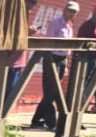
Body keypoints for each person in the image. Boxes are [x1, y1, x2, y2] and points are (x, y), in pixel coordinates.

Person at [31, 0, 78, 129]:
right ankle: (52, 122)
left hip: (62, 59)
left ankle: (36, 120)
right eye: (70, 10)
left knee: (51, 91)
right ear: (64, 10)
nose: (71, 13)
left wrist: (66, 63)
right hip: (52, 58)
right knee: (52, 90)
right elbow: (49, 42)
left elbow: (68, 47)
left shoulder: (69, 25)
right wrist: (50, 60)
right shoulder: (55, 23)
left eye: (74, 12)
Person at [2, 0, 41, 110]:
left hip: (19, 61)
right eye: (31, 2)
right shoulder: (15, 14)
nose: (32, 5)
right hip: (11, 61)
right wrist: (28, 32)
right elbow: (12, 33)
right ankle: (0, 115)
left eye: (34, 3)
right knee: (8, 92)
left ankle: (3, 114)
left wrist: (30, 32)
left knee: (12, 92)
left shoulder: (26, 15)